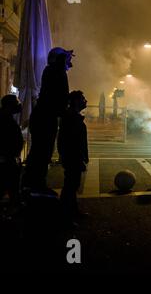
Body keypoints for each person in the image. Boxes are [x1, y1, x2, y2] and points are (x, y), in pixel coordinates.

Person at [24, 47, 74, 195]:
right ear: (59, 59)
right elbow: (58, 97)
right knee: (41, 153)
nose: (70, 62)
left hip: (44, 116)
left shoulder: (52, 70)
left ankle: (34, 184)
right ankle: (35, 185)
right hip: (45, 118)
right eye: (67, 59)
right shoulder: (56, 71)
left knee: (41, 153)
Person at [57, 91, 89, 224]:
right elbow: (71, 141)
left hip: (73, 157)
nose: (85, 101)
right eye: (83, 98)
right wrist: (79, 158)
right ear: (76, 101)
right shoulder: (71, 118)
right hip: (73, 158)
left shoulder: (72, 116)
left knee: (72, 185)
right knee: (70, 186)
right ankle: (65, 217)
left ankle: (72, 211)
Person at [0, 95, 24, 207]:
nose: (19, 104)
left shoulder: (7, 118)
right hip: (7, 161)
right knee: (11, 188)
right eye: (16, 102)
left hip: (9, 160)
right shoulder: (5, 119)